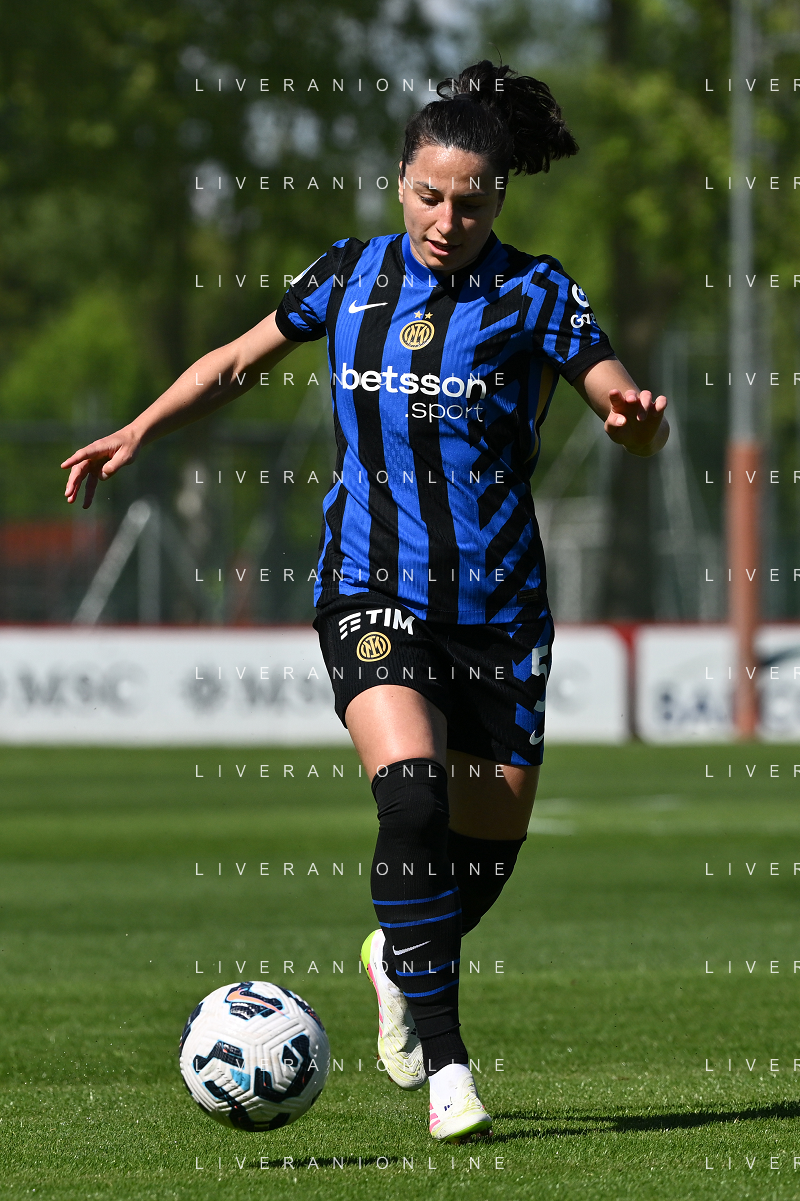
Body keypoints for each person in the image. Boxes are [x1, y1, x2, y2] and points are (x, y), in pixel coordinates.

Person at [62, 60, 668, 1144]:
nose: (447, 221)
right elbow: (237, 363)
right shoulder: (348, 275)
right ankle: (449, 1069)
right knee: (411, 803)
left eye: (470, 203)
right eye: (429, 196)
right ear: (399, 182)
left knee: (483, 855)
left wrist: (637, 423)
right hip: (367, 585)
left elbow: (616, 394)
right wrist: (139, 429)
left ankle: (396, 956)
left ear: (499, 198)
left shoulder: (537, 293)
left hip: (498, 609)